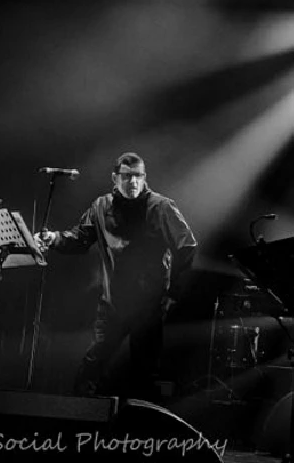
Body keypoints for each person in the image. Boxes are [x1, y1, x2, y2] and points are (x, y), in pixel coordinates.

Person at [34, 152, 197, 398]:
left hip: (149, 304)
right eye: (127, 176)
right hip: (113, 302)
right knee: (95, 361)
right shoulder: (101, 206)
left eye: (138, 176)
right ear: (115, 178)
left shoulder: (161, 206)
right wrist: (54, 238)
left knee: (144, 369)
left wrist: (173, 291)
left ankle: (138, 427)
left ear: (144, 177)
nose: (133, 182)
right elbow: (79, 239)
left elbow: (187, 246)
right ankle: (79, 414)